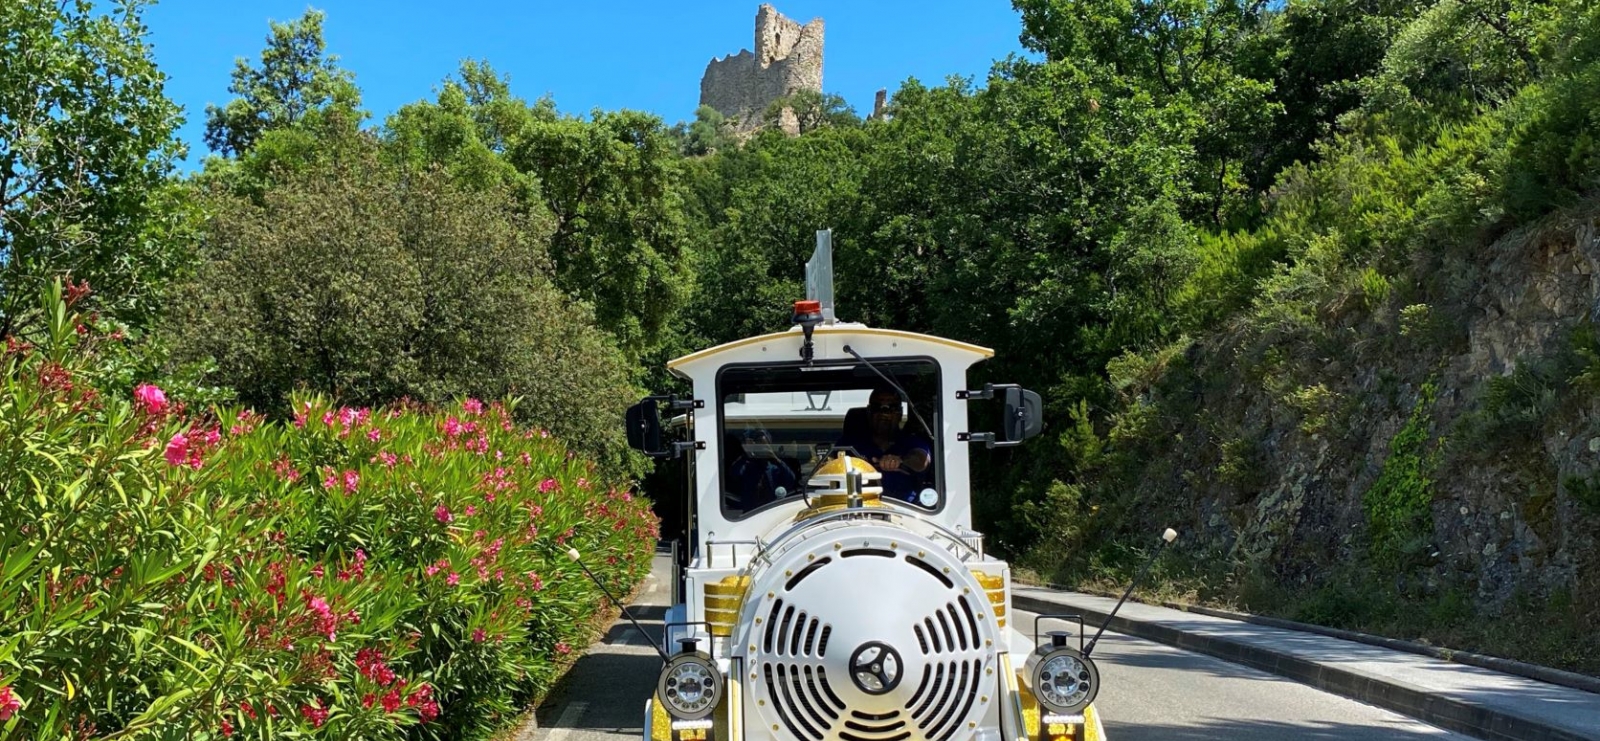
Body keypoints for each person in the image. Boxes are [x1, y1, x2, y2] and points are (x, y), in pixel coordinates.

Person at [836, 386, 933, 503]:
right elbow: (830, 465)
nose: (884, 414)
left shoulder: (912, 441)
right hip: (856, 509)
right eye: (878, 408)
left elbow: (921, 460)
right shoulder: (849, 443)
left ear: (900, 413)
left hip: (907, 512)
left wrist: (901, 461)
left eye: (891, 408)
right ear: (869, 412)